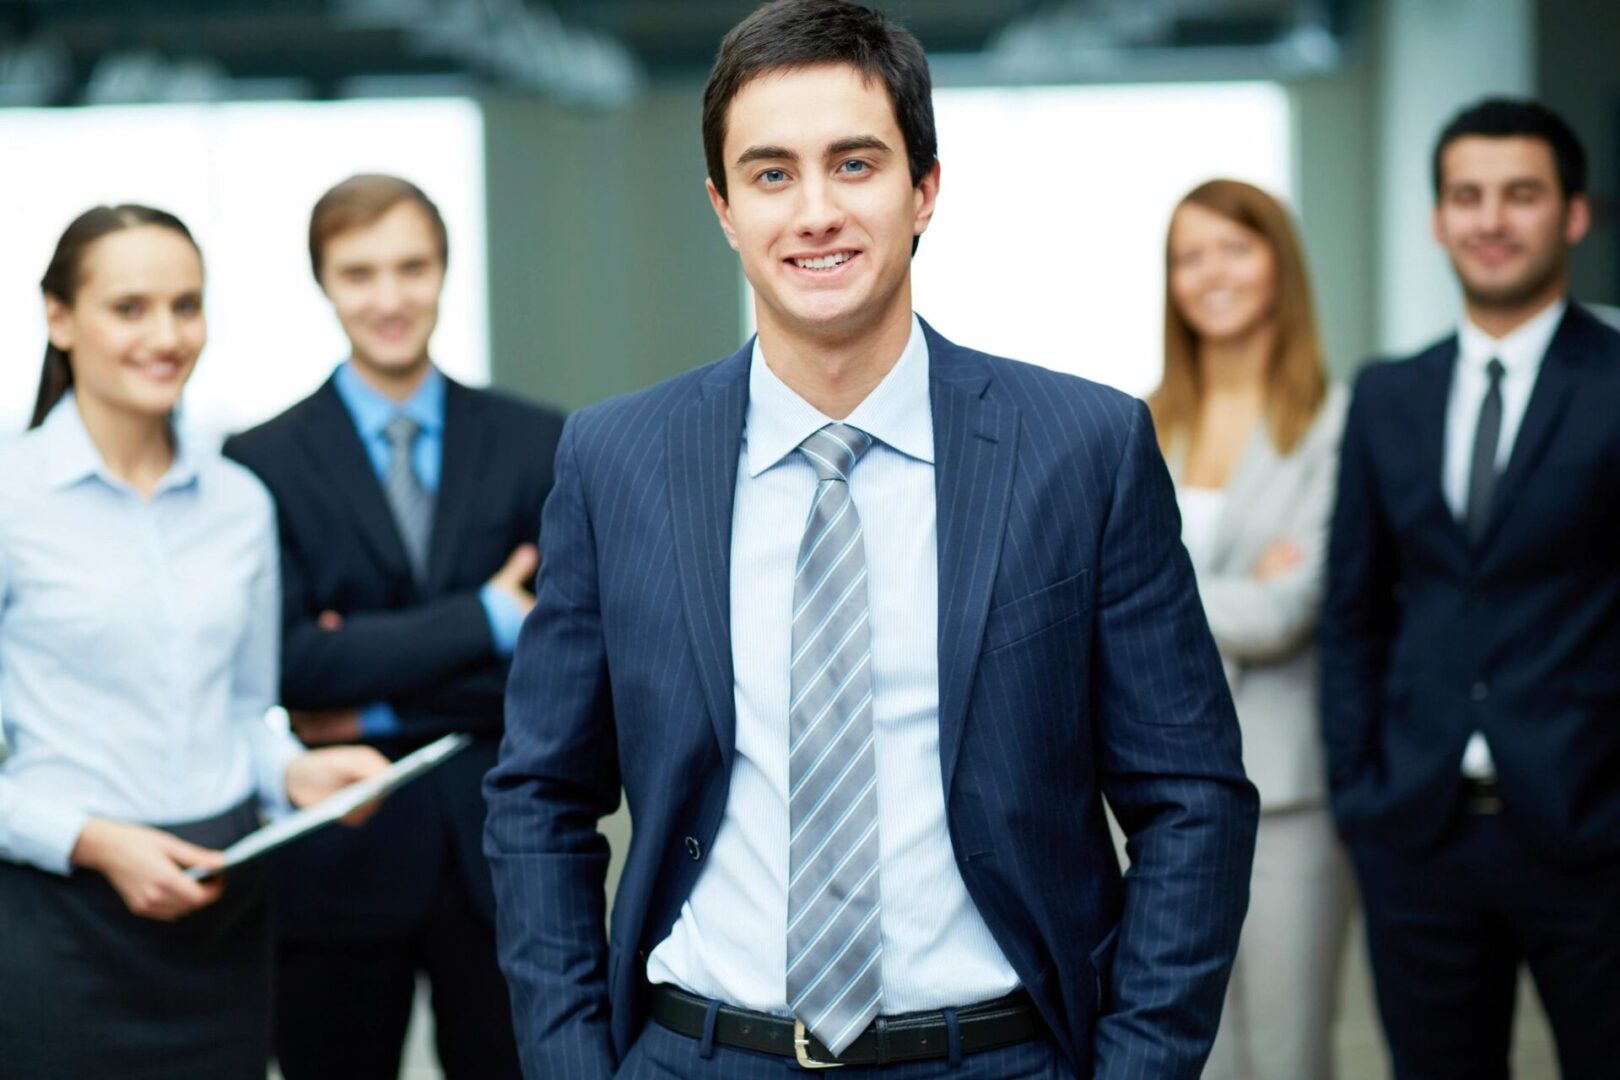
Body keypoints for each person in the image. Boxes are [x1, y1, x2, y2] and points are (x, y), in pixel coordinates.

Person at [485, 3, 1259, 1077]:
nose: (815, 212)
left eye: (855, 164)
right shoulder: (616, 461)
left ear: (924, 190)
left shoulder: (1081, 449)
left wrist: (1137, 1066)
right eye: (770, 175)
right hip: (705, 1053)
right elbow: (539, 796)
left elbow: (1193, 798)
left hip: (995, 1053)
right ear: (721, 207)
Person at [0, 204, 389, 1079]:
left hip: (225, 909)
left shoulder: (239, 502)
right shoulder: (11, 499)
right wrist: (95, 840)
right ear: (59, 317)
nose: (166, 335)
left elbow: (246, 712)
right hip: (63, 921)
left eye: (187, 305)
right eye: (129, 308)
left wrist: (295, 775)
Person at [222, 174, 564, 1080]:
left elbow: (560, 660)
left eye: (412, 268)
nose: (389, 298)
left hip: (502, 860)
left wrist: (368, 705)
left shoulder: (541, 443)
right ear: (325, 284)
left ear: (445, 271)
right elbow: (289, 663)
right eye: (360, 272)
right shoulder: (258, 462)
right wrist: (488, 617)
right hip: (337, 859)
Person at [1321, 97, 1620, 1079]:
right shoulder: (1387, 394)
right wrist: (1362, 791)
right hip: (1419, 830)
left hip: (1594, 829)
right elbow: (1354, 611)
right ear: (1438, 218)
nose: (1492, 219)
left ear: (1574, 214)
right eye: (1468, 196)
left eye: (1521, 194)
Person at [1151, 179, 1351, 1079]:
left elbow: (1285, 613)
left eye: (1234, 247)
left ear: (1278, 263)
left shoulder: (1335, 421)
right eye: (1190, 256)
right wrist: (1225, 584)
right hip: (1148, 787)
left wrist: (1151, 590)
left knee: (1284, 1053)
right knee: (1183, 1050)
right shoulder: (1141, 422)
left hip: (1285, 794)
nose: (1212, 273)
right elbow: (1091, 600)